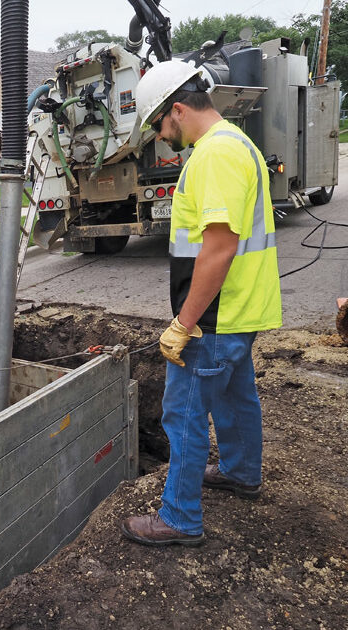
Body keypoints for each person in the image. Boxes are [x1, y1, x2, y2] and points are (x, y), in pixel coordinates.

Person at [119, 60, 282, 547]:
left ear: (178, 110)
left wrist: (185, 322)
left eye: (156, 125)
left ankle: (180, 518)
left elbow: (219, 247)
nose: (157, 135)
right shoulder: (236, 144)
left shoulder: (214, 155)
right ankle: (239, 472)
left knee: (184, 414)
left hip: (215, 316)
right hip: (238, 310)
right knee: (235, 396)